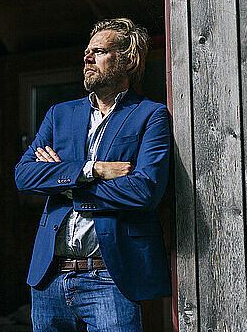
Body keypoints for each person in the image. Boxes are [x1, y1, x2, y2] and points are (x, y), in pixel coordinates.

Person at [15, 18, 171, 331]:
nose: (87, 57)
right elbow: (24, 175)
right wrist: (92, 170)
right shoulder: (60, 114)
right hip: (49, 278)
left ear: (127, 60)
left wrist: (65, 183)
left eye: (99, 51)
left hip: (110, 278)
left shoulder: (150, 115)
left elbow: (143, 190)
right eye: (87, 51)